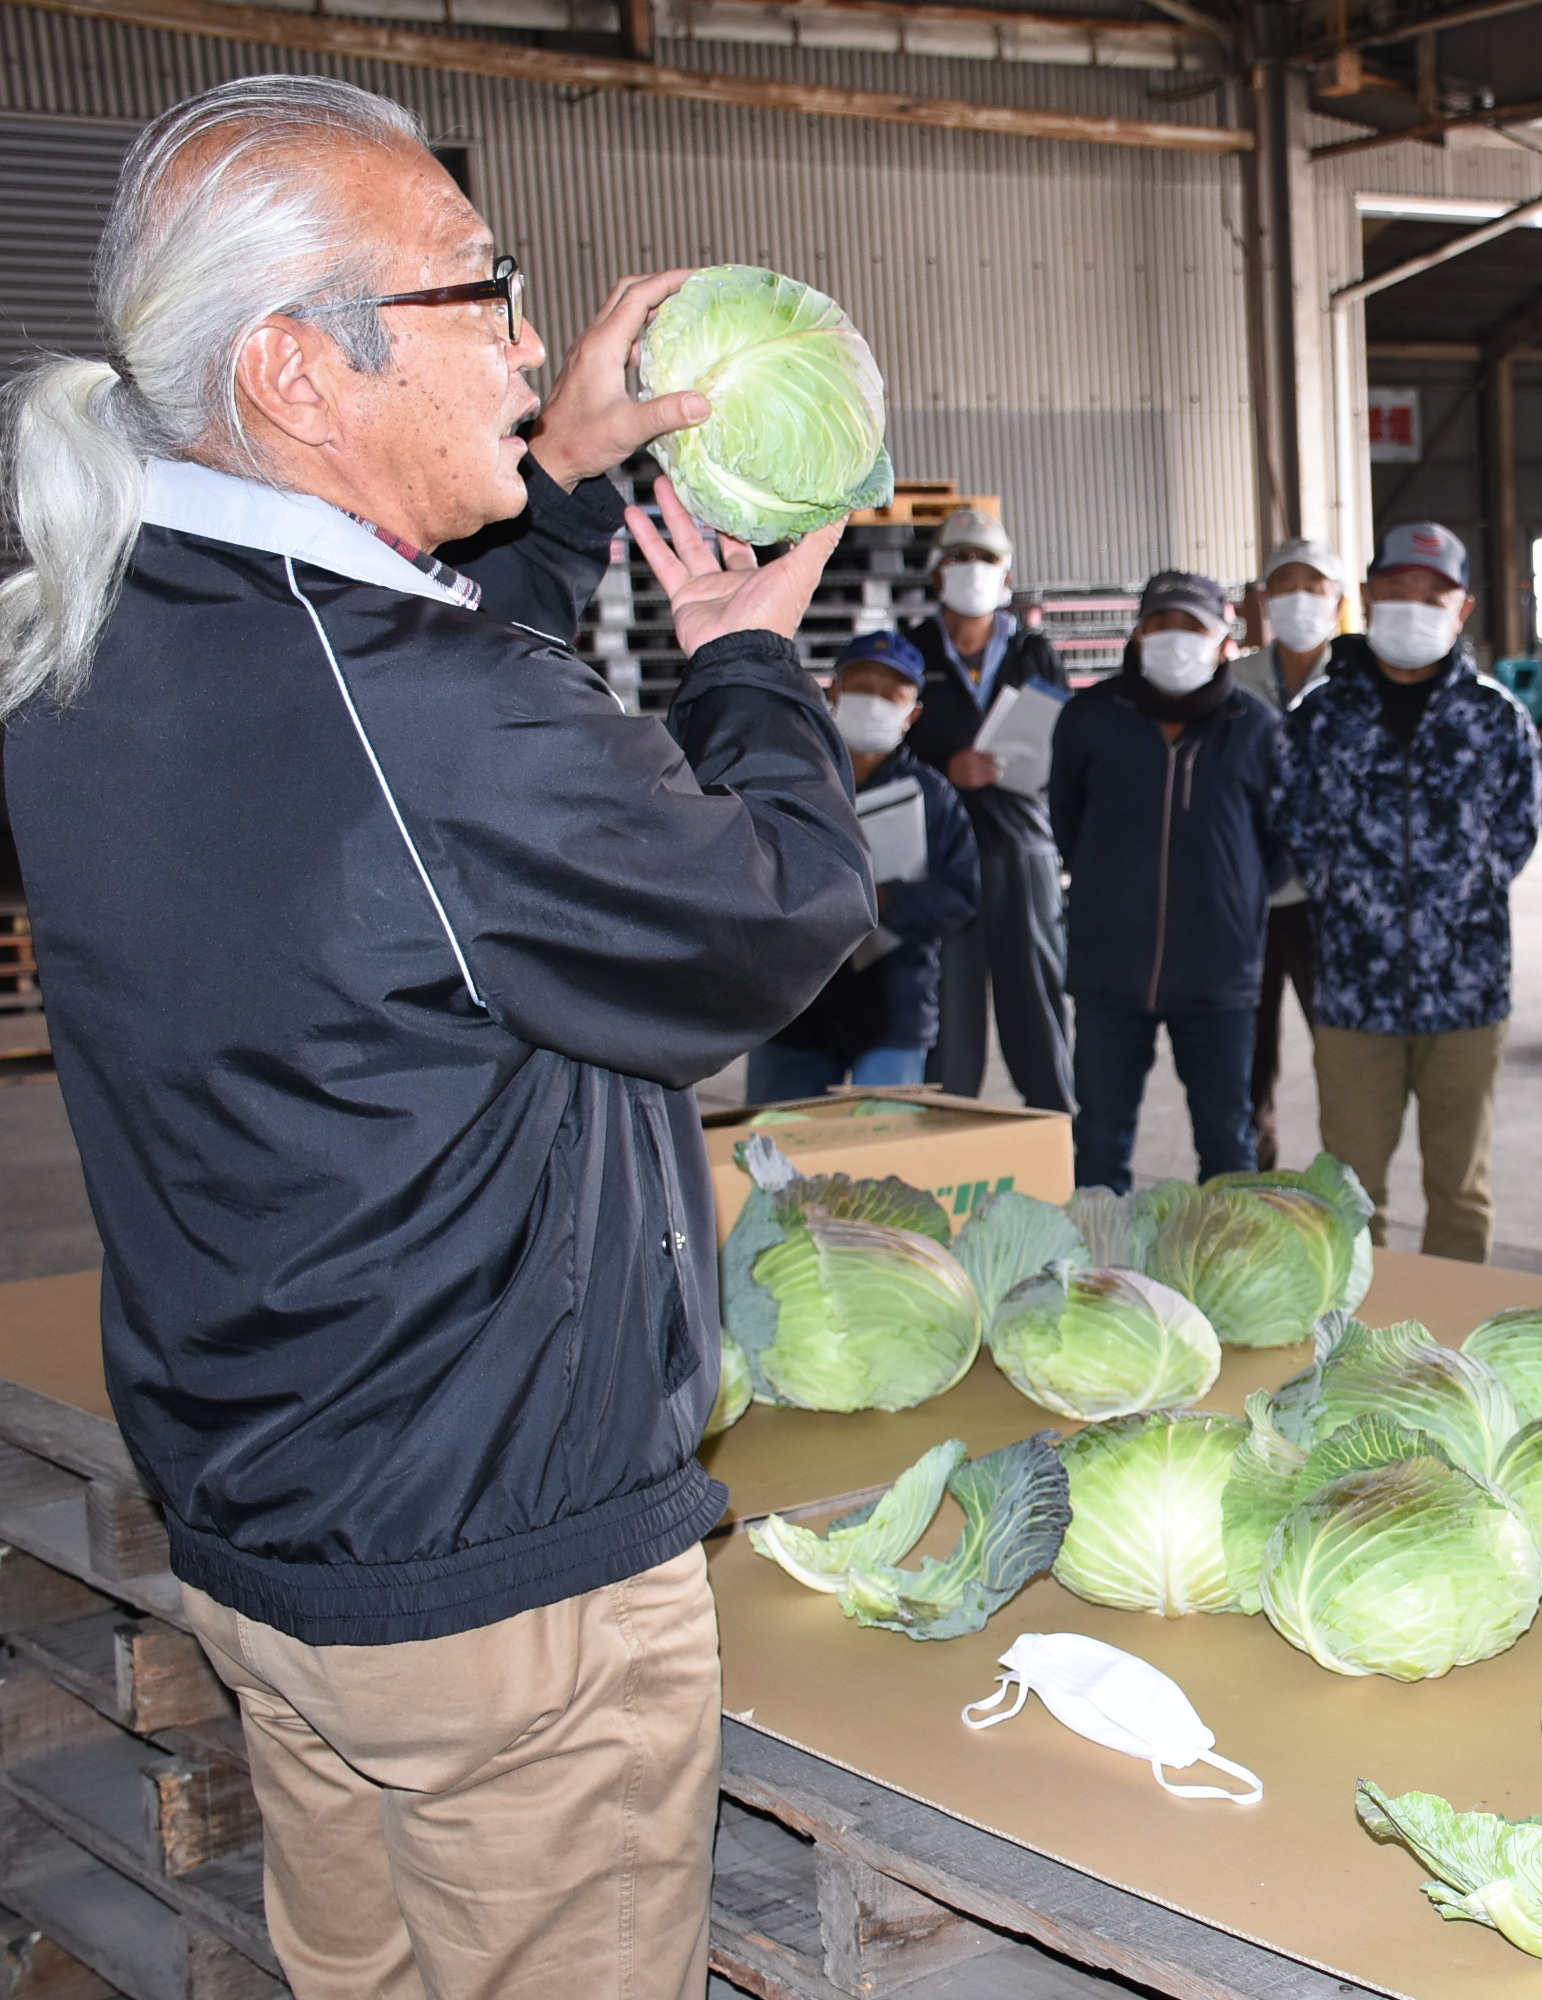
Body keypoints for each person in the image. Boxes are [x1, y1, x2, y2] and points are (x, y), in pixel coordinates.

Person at [0, 77, 873, 1990]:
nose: (536, 346)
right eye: (481, 295)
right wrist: (747, 666)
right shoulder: (433, 717)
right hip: (498, 1582)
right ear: (303, 372)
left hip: (287, 1523)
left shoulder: (97, 633)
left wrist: (542, 498)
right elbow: (777, 917)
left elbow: (383, 758)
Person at [1274, 522, 1540, 1261]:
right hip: (1355, 995)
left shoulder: (1495, 718)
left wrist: (1459, 900)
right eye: (1397, 592)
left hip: (1468, 995)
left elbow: (1517, 834)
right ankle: (1358, 1342)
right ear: (1366, 598)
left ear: (1464, 608)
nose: (1413, 607)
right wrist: (1353, 897)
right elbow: (1293, 827)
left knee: (1460, 1191)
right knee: (1351, 1194)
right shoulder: (1318, 718)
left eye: (1434, 595)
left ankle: (1454, 1350)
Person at [1051, 571, 1284, 1191]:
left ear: (1223, 640)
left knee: (1226, 1139)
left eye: (1193, 627)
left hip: (1220, 974)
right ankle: (1101, 1271)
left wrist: (1233, 896)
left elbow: (1280, 842)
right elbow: (1067, 823)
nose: (1175, 639)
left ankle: (1225, 1272)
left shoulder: (1255, 728)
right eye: (1161, 624)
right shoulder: (1089, 718)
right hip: (1110, 969)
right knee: (1099, 1136)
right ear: (1137, 635)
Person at [747, 632, 980, 1101]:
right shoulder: (791, 781)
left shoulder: (930, 794)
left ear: (912, 713)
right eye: (860, 687)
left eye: (889, 694)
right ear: (831, 692)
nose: (872, 702)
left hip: (894, 1009)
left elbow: (962, 895)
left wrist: (886, 899)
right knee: (778, 1154)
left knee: (887, 1159)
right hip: (795, 1009)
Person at [902, 504, 1075, 1112]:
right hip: (940, 856)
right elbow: (882, 751)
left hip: (1020, 850)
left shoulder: (1035, 654)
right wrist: (947, 767)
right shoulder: (911, 655)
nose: (971, 569)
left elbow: (1064, 747)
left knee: (1038, 1009)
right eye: (958, 558)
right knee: (948, 1022)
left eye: (985, 560)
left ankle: (1059, 1143)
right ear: (935, 573)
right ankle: (946, 1148)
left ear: (1006, 576)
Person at [1235, 537, 1346, 1169]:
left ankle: (1345, 1166)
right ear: (1264, 601)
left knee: (1339, 1046)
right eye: (1285, 586)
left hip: (1323, 896)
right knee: (1250, 1049)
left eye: (1314, 585)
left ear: (1338, 600)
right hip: (1249, 890)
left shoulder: (1358, 681)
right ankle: (1258, 1172)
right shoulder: (1233, 679)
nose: (1299, 598)